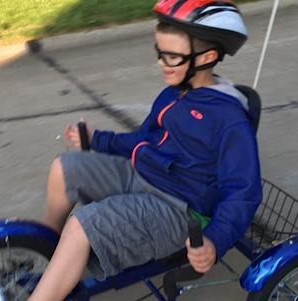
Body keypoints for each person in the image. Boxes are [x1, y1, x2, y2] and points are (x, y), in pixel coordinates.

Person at [28, 1, 262, 300]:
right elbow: (143, 141)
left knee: (83, 224)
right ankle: (44, 254)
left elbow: (243, 191)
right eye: (159, 52)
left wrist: (214, 242)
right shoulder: (172, 94)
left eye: (171, 56)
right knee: (66, 167)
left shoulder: (230, 121)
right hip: (142, 175)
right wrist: (96, 139)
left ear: (208, 57)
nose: (161, 63)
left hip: (178, 208)